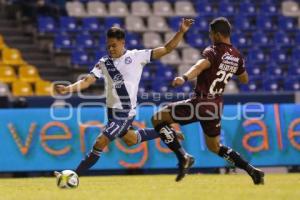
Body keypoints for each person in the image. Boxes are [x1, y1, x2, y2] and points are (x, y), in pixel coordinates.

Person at [54, 18, 194, 176]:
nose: (111, 49)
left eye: (114, 45)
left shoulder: (137, 56)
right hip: (111, 112)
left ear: (122, 42)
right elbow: (87, 81)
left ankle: (73, 175)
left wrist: (181, 32)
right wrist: (68, 89)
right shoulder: (104, 62)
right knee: (130, 139)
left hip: (125, 112)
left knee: (101, 141)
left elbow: (167, 49)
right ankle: (167, 133)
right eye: (108, 46)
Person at [151, 17, 265, 184]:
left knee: (158, 118)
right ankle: (252, 170)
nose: (210, 37)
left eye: (211, 34)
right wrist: (231, 68)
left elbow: (199, 66)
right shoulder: (237, 56)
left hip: (201, 102)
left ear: (218, 35)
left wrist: (184, 77)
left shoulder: (213, 51)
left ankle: (183, 157)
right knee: (215, 147)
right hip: (216, 106)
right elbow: (244, 79)